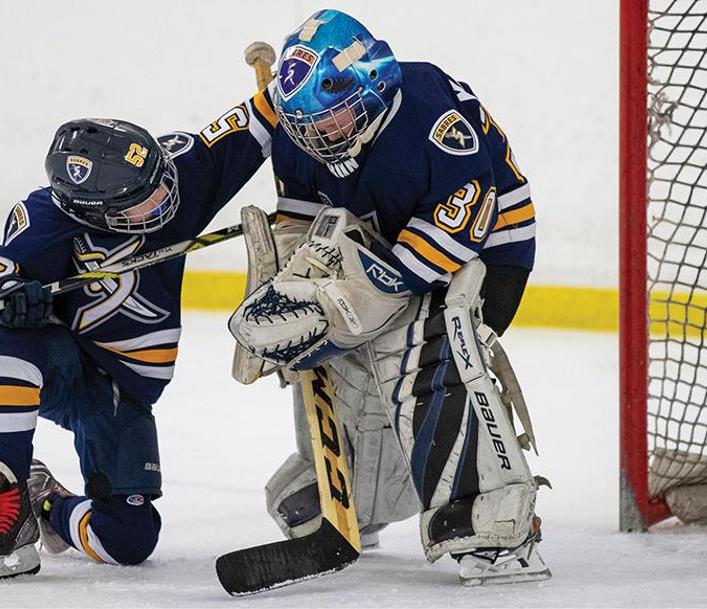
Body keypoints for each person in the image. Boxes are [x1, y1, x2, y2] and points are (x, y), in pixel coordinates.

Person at [228, 9, 548, 585]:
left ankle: (493, 518)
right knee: (336, 351)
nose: (320, 135)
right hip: (377, 236)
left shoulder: (434, 117)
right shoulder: (303, 129)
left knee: (423, 345)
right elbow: (306, 217)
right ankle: (355, 494)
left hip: (481, 251)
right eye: (308, 126)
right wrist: (297, 286)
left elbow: (456, 233)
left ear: (373, 87)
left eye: (334, 118)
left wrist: (349, 302)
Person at [0, 93, 277, 581]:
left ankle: (44, 502)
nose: (163, 199)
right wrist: (10, 296)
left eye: (158, 183)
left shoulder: (177, 171)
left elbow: (265, 114)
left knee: (127, 542)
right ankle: (6, 498)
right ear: (92, 211)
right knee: (7, 346)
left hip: (125, 389)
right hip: (67, 365)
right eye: (141, 202)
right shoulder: (44, 220)